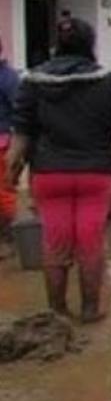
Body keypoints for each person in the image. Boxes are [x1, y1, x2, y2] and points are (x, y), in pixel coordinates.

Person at [7, 18, 111, 322]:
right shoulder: (110, 82)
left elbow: (22, 131)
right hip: (94, 174)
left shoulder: (32, 82)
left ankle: (57, 312)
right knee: (90, 242)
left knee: (55, 243)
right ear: (91, 45)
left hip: (49, 174)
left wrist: (12, 171)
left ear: (57, 46)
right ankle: (89, 310)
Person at [0, 38, 19, 255]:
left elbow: (19, 111)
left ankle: (7, 238)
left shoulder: (8, 78)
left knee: (3, 191)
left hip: (3, 143)